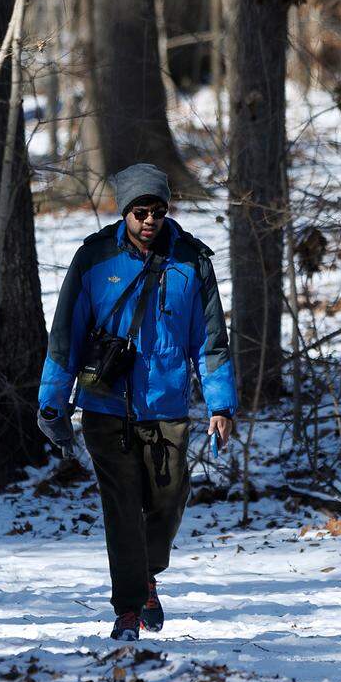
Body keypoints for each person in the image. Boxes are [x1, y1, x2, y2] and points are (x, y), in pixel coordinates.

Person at [37, 162, 237, 641]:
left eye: (159, 210)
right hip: (106, 407)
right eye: (141, 211)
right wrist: (53, 401)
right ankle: (128, 608)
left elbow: (210, 343)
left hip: (167, 408)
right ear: (124, 211)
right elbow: (66, 335)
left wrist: (220, 405)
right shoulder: (93, 260)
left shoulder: (193, 261)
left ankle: (147, 571)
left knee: (168, 504)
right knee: (122, 508)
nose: (151, 219)